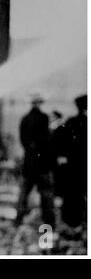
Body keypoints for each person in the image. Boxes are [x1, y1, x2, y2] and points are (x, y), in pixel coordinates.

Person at [15, 93, 55, 228]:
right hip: (42, 163)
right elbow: (47, 141)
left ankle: (18, 220)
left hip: (29, 163)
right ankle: (49, 222)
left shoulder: (25, 119)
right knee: (46, 194)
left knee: (24, 193)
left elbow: (23, 141)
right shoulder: (44, 118)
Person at [59, 95, 87, 228]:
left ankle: (71, 221)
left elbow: (61, 142)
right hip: (83, 164)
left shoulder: (71, 122)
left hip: (72, 165)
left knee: (71, 193)